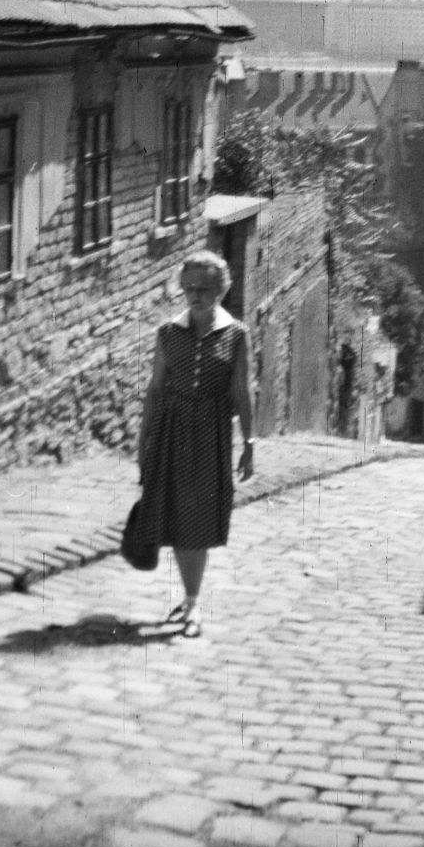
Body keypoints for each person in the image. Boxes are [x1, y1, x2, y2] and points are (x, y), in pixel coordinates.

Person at [135, 250, 254, 636]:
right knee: (173, 515)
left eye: (203, 288)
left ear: (221, 290)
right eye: (188, 288)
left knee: (198, 520)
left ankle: (193, 603)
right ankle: (189, 598)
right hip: (171, 430)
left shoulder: (236, 335)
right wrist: (143, 440)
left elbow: (241, 391)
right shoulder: (168, 333)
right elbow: (155, 389)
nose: (195, 295)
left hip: (211, 434)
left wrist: (249, 442)